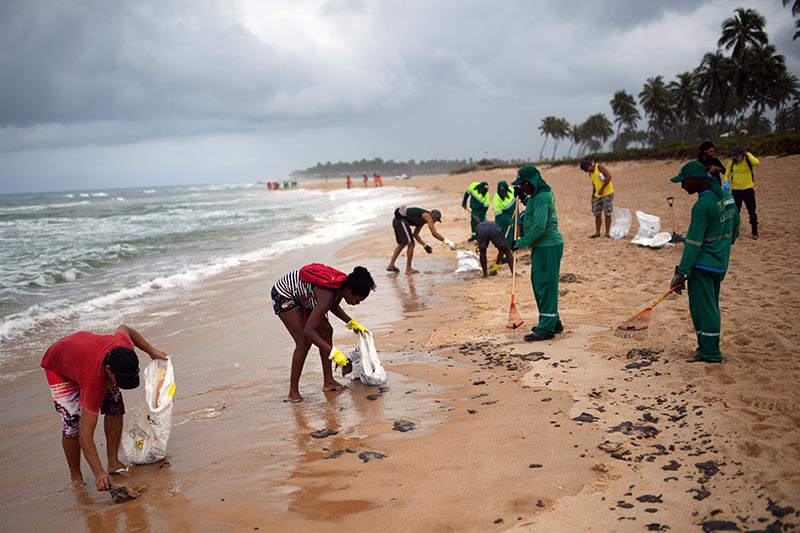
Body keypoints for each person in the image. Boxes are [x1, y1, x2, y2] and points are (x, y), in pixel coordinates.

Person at [41, 325, 169, 491]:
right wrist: (98, 473)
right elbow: (85, 436)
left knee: (115, 406)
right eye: (121, 380)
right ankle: (76, 476)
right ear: (109, 370)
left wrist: (151, 350)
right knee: (72, 424)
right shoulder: (93, 382)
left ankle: (113, 463)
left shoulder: (123, 345)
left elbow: (125, 328)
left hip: (85, 354)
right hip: (59, 365)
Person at [668, 160, 739, 363]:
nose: (682, 186)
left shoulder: (701, 206)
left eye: (684, 181)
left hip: (702, 265)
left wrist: (681, 272)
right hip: (720, 262)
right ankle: (705, 348)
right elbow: (736, 227)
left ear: (696, 180)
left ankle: (710, 352)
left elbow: (693, 243)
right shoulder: (726, 197)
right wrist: (722, 249)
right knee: (710, 305)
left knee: (704, 309)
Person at [272, 265, 376, 402]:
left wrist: (352, 324)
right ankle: (293, 392)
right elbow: (309, 331)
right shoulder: (328, 294)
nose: (357, 304)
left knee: (327, 331)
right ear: (350, 292)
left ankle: (329, 382)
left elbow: (332, 306)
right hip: (285, 294)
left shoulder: (341, 286)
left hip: (305, 295)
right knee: (303, 342)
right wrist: (334, 354)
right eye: (358, 300)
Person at [512, 165, 564, 341]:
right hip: (542, 247)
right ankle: (553, 321)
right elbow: (534, 209)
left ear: (531, 182)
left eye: (523, 185)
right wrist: (524, 199)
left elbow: (539, 227)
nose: (522, 188)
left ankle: (546, 329)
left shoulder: (542, 197)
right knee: (539, 282)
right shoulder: (537, 195)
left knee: (545, 285)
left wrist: (521, 243)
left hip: (547, 246)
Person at [387, 206, 457, 274]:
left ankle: (391, 265)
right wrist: (448, 242)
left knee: (403, 244)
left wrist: (425, 245)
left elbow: (416, 234)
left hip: (398, 221)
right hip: (400, 221)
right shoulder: (427, 215)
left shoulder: (422, 221)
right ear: (433, 215)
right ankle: (408, 269)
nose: (435, 222)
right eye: (436, 219)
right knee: (411, 244)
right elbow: (434, 233)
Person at [723, 146, 760, 239]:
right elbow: (726, 174)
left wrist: (748, 154)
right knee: (735, 212)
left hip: (748, 190)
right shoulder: (731, 163)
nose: (734, 158)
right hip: (736, 191)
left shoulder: (748, 160)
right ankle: (735, 230)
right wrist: (726, 182)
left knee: (752, 211)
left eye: (736, 155)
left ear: (741, 154)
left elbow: (756, 162)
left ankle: (754, 231)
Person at [580, 160, 615, 238]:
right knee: (597, 214)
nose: (586, 171)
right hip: (597, 195)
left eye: (586, 169)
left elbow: (609, 177)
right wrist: (592, 197)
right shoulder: (590, 174)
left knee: (607, 213)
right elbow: (594, 186)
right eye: (584, 170)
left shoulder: (599, 167)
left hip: (607, 194)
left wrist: (602, 189)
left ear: (590, 165)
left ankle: (607, 233)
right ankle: (597, 232)